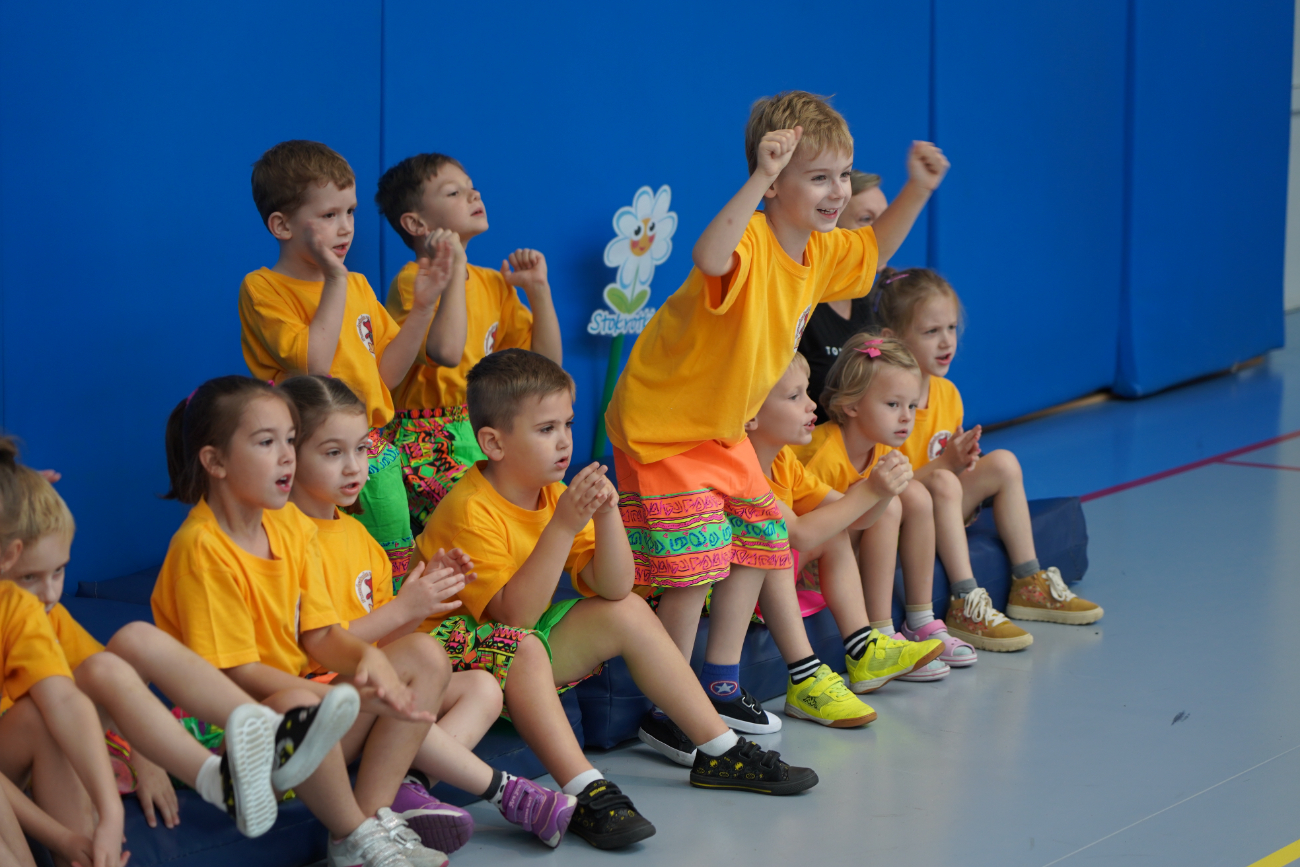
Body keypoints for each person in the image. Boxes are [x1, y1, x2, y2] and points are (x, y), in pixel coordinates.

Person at [603, 90, 948, 734]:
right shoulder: (754, 242)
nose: (837, 191)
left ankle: (720, 683)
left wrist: (918, 189)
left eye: (842, 175)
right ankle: (670, 709)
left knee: (761, 542)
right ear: (773, 186)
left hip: (723, 434)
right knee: (693, 569)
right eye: (818, 177)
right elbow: (709, 257)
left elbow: (871, 255)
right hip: (663, 431)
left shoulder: (821, 251)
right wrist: (758, 175)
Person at [416, 349, 818, 850]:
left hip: (522, 646)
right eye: (545, 429)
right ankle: (585, 788)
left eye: (567, 423)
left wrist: (607, 518)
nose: (564, 441)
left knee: (625, 612)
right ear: (494, 443)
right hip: (455, 661)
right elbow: (513, 618)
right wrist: (564, 527)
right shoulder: (470, 508)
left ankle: (720, 749)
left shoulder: (550, 490)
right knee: (523, 645)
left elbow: (615, 588)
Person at [153, 374, 470, 867]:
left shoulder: (294, 531)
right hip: (228, 728)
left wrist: (373, 666)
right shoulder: (201, 548)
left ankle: (373, 816)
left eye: (289, 441)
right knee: (303, 699)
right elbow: (234, 676)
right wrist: (344, 698)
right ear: (214, 461)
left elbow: (321, 637)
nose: (286, 456)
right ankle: (353, 832)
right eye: (267, 442)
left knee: (424, 656)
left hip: (302, 715)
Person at [279, 373, 577, 852]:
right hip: (307, 718)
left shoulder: (361, 542)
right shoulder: (280, 539)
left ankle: (397, 796)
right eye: (334, 453)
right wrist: (405, 609)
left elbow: (378, 649)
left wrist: (424, 593)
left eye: (362, 449)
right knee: (421, 656)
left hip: (359, 701)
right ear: (288, 457)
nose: (355, 467)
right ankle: (503, 791)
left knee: (481, 685)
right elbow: (314, 648)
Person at [238, 140, 461, 580]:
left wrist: (420, 310)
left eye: (350, 213)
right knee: (322, 564)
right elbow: (314, 366)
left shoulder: (356, 286)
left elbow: (387, 376)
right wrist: (336, 280)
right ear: (281, 225)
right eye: (328, 215)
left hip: (371, 448)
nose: (345, 229)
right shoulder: (263, 288)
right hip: (308, 452)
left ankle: (390, 632)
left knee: (386, 563)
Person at [874, 268, 1103, 648]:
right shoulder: (887, 401)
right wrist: (947, 465)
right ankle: (964, 600)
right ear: (895, 339)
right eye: (931, 332)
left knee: (1004, 462)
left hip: (944, 508)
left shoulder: (947, 393)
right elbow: (892, 488)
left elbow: (950, 466)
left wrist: (966, 461)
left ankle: (1029, 582)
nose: (946, 341)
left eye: (951, 328)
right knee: (945, 481)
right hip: (903, 522)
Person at [744, 353, 944, 712]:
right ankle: (805, 677)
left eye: (806, 392)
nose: (810, 405)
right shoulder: (743, 470)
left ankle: (864, 649)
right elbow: (799, 535)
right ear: (751, 416)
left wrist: (882, 492)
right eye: (794, 397)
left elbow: (854, 519)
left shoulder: (783, 461)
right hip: (733, 595)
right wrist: (870, 491)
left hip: (770, 584)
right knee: (777, 544)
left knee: (832, 531)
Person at [375, 153, 563, 525]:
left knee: (539, 501)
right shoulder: (415, 279)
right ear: (416, 223)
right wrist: (455, 267)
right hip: (426, 441)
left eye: (472, 188)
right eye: (454, 193)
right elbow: (446, 351)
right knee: (476, 518)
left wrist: (538, 291)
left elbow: (547, 367)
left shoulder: (493, 283)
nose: (473, 196)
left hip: (482, 432)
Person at [795, 333, 976, 668]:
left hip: (845, 551)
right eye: (893, 405)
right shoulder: (825, 453)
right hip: (809, 565)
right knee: (890, 502)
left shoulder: (880, 447)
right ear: (851, 405)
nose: (907, 417)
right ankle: (880, 633)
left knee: (917, 495)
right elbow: (808, 532)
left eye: (911, 405)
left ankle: (920, 621)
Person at [800, 170, 891, 420]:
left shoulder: (882, 299)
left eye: (886, 220)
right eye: (866, 219)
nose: (881, 232)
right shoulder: (800, 304)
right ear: (832, 227)